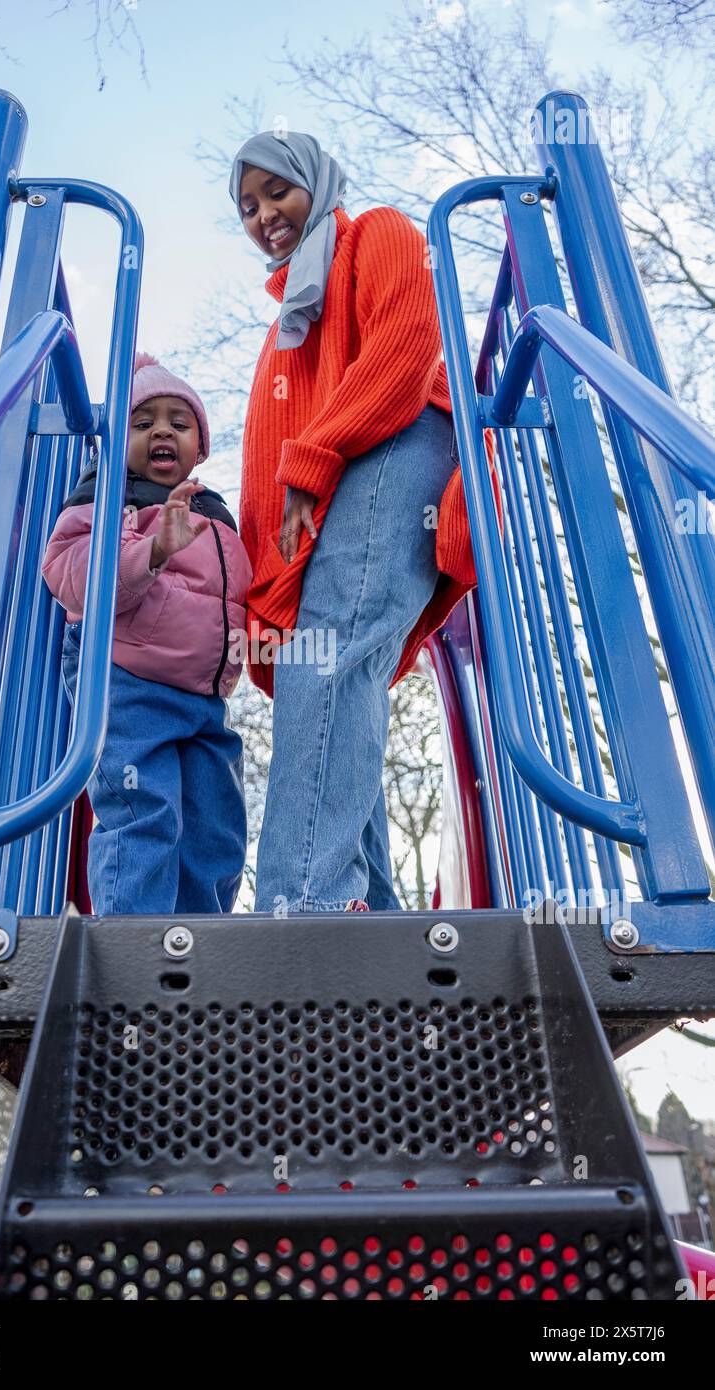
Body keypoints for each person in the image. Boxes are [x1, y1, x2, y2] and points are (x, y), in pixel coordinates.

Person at [230, 131, 497, 915]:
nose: (264, 214)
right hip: (346, 471)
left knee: (336, 653)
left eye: (277, 190)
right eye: (247, 206)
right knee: (341, 674)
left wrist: (315, 458)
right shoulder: (291, 317)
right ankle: (365, 903)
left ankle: (305, 899)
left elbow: (408, 343)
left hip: (398, 437)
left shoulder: (375, 232)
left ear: (319, 181)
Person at [41, 354, 251, 915]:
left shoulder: (214, 512)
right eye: (144, 421)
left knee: (217, 824)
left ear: (199, 448)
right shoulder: (108, 497)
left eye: (179, 423)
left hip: (203, 701)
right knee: (143, 808)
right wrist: (151, 552)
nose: (162, 430)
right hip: (128, 681)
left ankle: (196, 944)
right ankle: (134, 943)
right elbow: (71, 573)